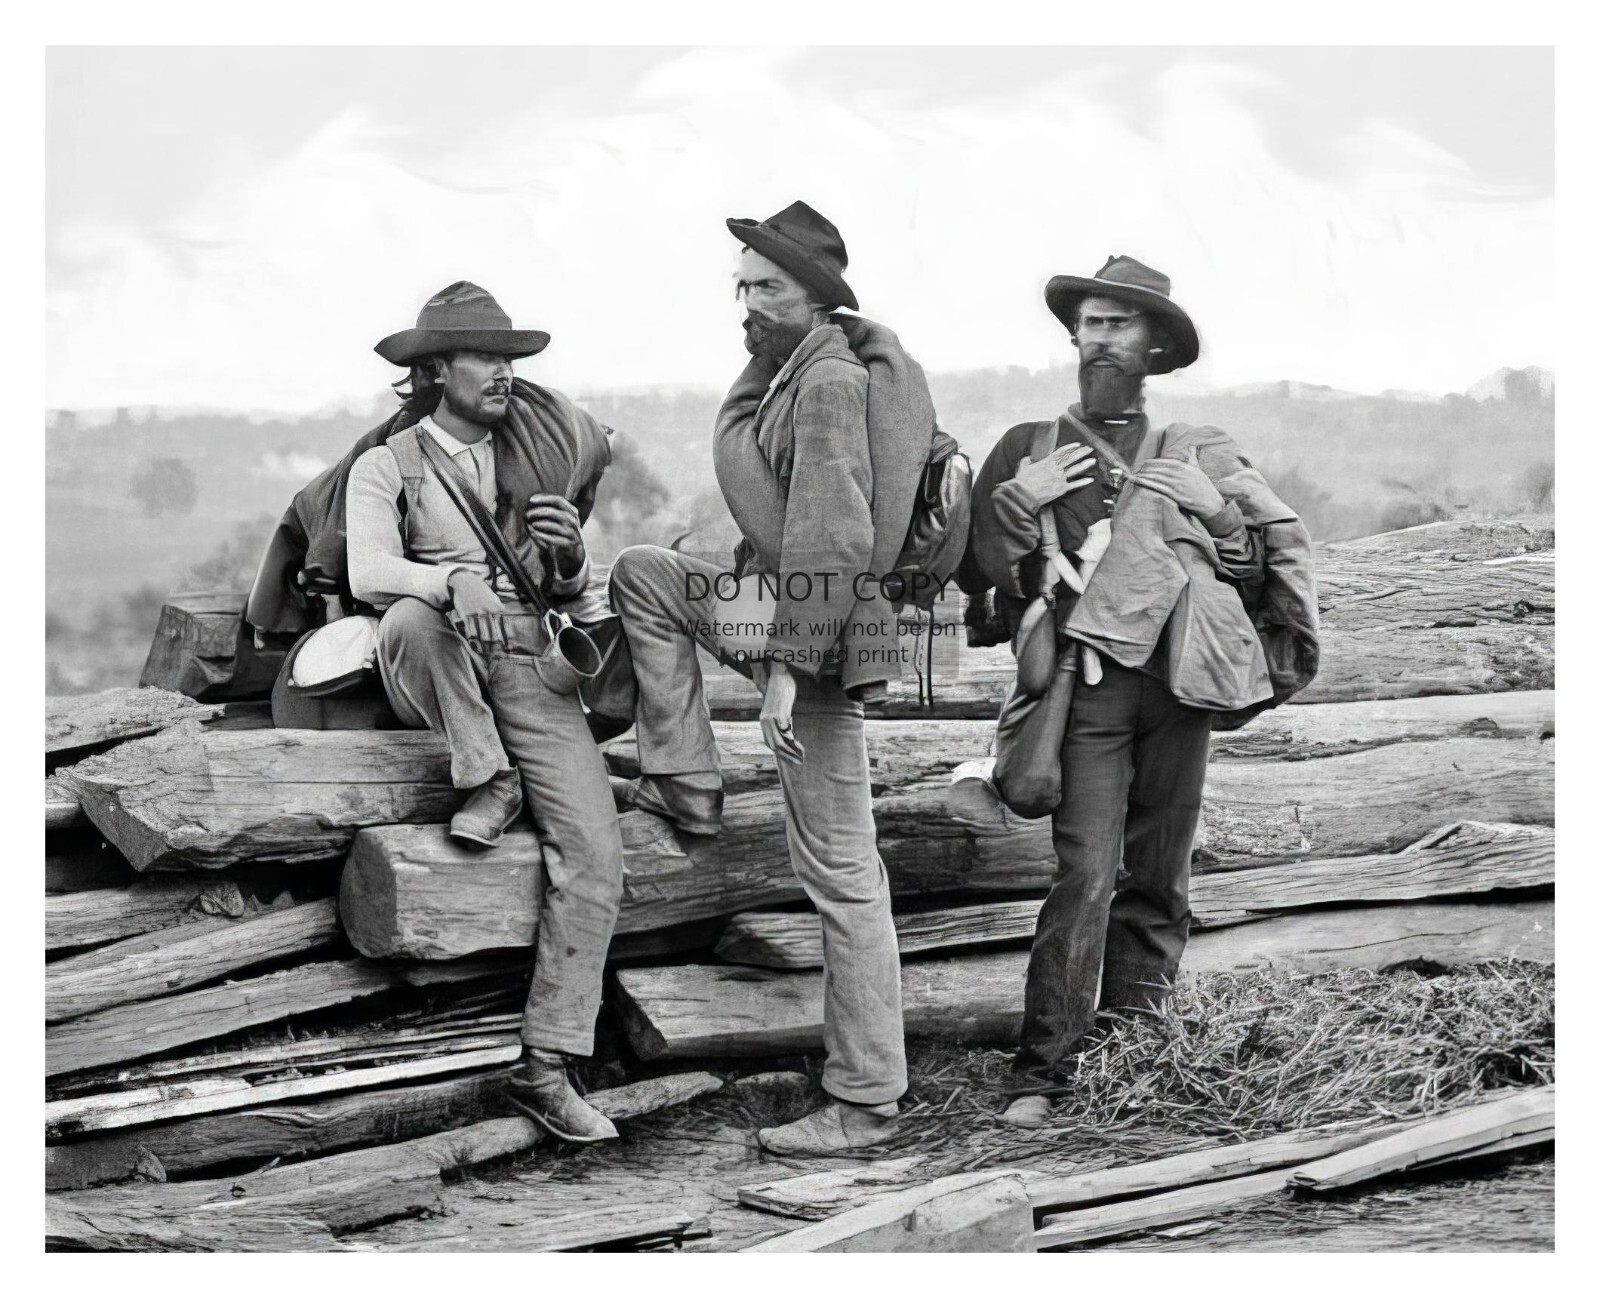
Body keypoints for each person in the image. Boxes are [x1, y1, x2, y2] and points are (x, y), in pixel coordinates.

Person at [608, 202, 938, 1154]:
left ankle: (868, 1097)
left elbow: (834, 534)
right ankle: (687, 779)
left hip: (825, 644)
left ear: (815, 297)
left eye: (766, 288)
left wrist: (786, 675)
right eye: (741, 285)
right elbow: (790, 516)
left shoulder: (828, 381)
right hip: (791, 608)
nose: (745, 304)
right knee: (648, 572)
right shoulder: (790, 370)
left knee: (842, 871)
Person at [961, 256, 1319, 1127]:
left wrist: (1220, 512)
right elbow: (978, 586)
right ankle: (1042, 1072)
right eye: (1090, 322)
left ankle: (1141, 1055)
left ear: (1155, 345)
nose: (1101, 338)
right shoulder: (1027, 449)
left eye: (1120, 323)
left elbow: (1250, 570)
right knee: (1084, 874)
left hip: (1179, 688)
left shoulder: (1197, 451)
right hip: (1082, 696)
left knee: (1160, 875)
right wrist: (1015, 504)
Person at [345, 280, 626, 1144]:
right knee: (412, 617)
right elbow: (367, 572)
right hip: (439, 656)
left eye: (509, 358)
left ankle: (545, 1066)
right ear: (435, 371)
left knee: (595, 848)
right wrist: (446, 578)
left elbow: (567, 589)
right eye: (483, 358)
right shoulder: (388, 464)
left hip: (528, 661)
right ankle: (488, 773)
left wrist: (572, 558)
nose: (503, 373)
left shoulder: (531, 461)